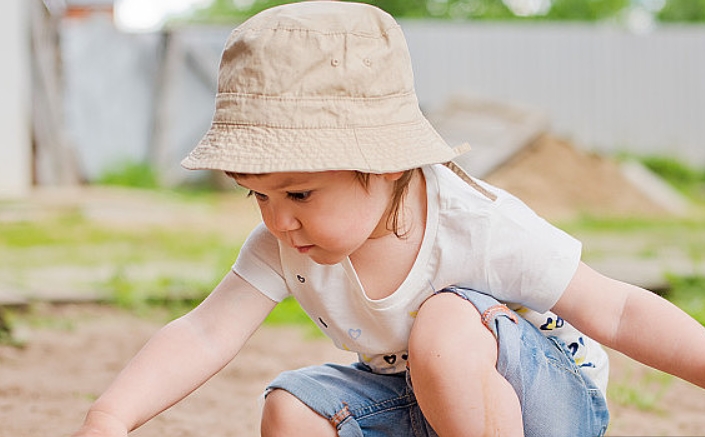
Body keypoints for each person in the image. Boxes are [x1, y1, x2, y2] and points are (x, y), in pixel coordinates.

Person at [72, 2, 705, 436]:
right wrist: (111, 415)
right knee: (292, 407)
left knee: (447, 321)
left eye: (298, 195)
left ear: (383, 167)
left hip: (545, 405)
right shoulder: (282, 242)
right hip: (421, 406)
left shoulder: (476, 225)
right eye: (256, 196)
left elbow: (618, 310)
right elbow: (206, 334)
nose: (278, 221)